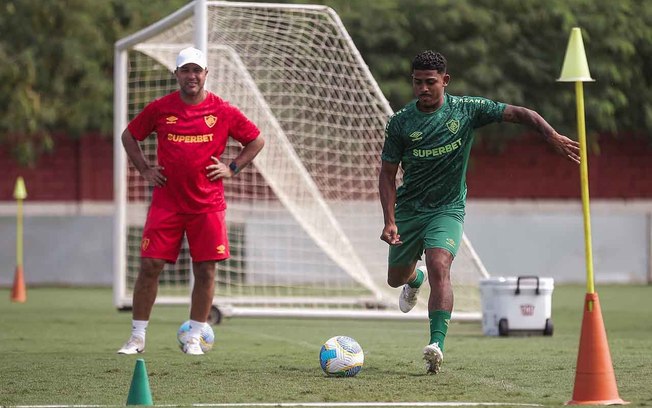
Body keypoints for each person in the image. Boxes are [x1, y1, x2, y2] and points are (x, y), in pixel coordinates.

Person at [379, 50, 579, 374]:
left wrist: (550, 135)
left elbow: (519, 113)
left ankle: (436, 345)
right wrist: (389, 219)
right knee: (395, 279)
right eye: (417, 82)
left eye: (430, 82)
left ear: (445, 81)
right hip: (410, 209)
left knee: (440, 263)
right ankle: (414, 280)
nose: (423, 89)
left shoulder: (468, 109)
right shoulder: (401, 123)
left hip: (447, 208)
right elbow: (387, 174)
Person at [117, 47, 265, 355]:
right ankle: (137, 337)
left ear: (206, 74)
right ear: (177, 75)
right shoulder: (160, 108)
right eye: (186, 70)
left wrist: (232, 167)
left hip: (207, 205)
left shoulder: (222, 111)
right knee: (149, 265)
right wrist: (144, 169)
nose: (192, 76)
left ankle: (195, 337)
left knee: (206, 270)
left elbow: (256, 139)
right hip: (166, 203)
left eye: (197, 70)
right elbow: (129, 135)